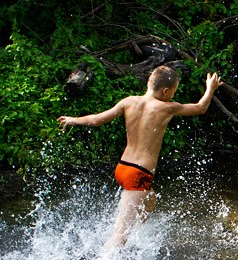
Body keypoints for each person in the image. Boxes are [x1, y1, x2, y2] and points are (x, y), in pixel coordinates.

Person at [58, 65, 223, 248]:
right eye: (172, 93)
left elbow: (96, 120)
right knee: (119, 236)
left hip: (122, 168)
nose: (172, 97)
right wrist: (210, 88)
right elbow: (200, 108)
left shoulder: (129, 101)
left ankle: (138, 241)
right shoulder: (167, 107)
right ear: (165, 91)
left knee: (151, 199)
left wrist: (74, 120)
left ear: (148, 82)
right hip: (139, 174)